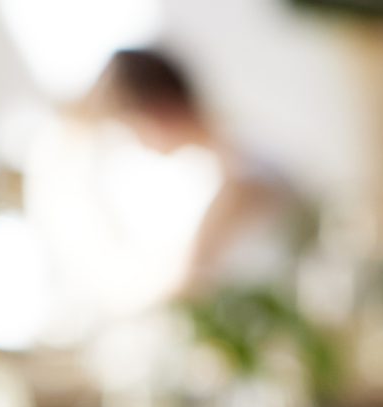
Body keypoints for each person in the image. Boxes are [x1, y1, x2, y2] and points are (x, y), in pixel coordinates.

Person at [80, 47, 306, 299]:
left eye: (132, 128)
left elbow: (193, 276)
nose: (139, 143)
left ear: (157, 112)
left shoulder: (238, 168)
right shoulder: (231, 147)